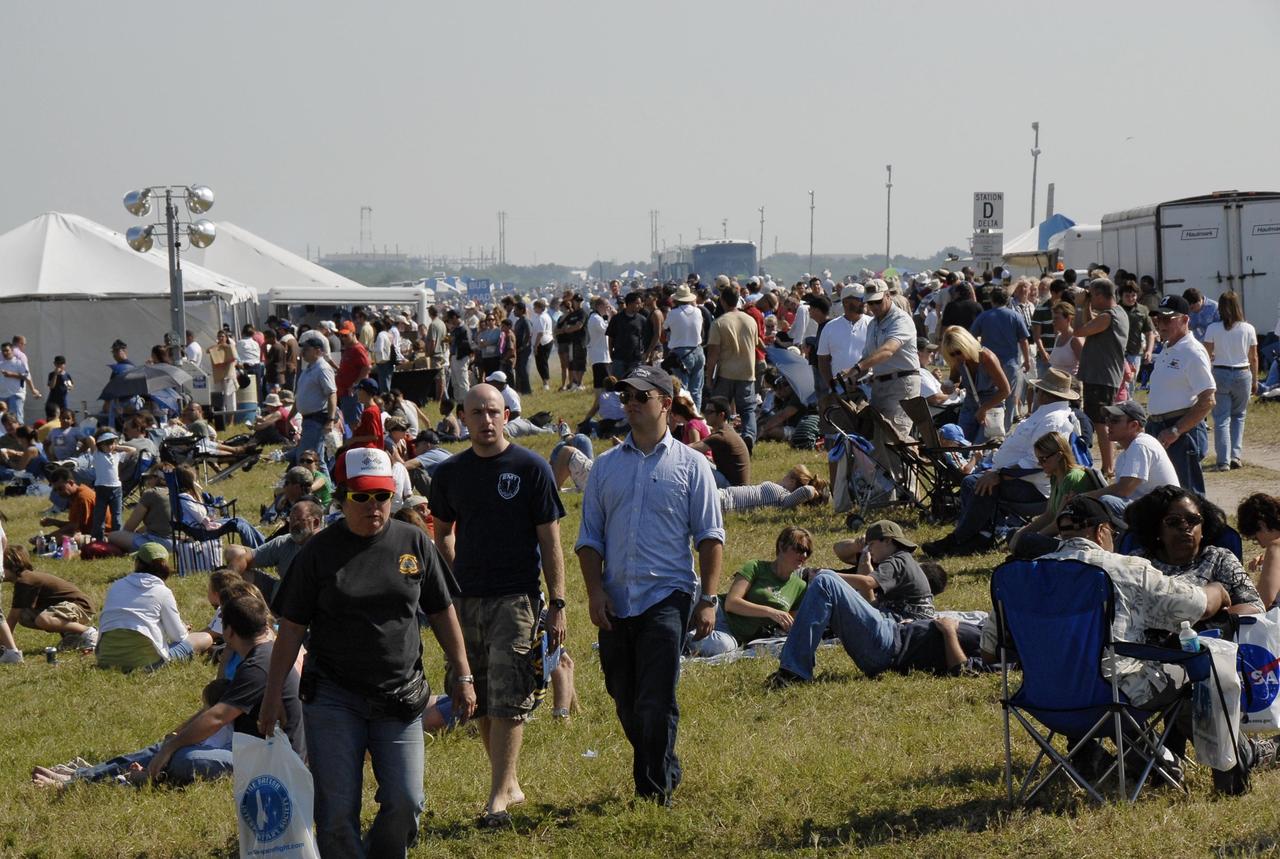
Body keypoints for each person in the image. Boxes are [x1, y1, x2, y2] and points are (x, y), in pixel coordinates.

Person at [981, 494, 1278, 793]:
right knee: (1200, 668)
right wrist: (1216, 590)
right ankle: (1230, 769)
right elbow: (1199, 606)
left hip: (1041, 702)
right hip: (1113, 699)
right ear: (1102, 532)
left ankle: (1157, 761)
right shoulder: (1127, 569)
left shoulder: (1015, 576)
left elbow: (990, 652)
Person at [261, 446, 476, 858]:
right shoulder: (318, 552)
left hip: (401, 695)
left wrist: (463, 674)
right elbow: (291, 629)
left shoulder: (414, 541)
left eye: (382, 495)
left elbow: (442, 610)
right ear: (341, 498)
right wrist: (273, 696)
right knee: (337, 813)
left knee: (406, 801)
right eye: (362, 496)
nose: (374, 505)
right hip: (333, 698)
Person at [575, 364, 724, 804]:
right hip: (616, 598)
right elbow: (589, 538)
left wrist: (708, 599)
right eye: (627, 397)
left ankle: (653, 794)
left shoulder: (692, 465)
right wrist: (595, 592)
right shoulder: (605, 467)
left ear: (666, 403)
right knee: (624, 697)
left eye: (642, 396)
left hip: (667, 595)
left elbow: (710, 536)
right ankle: (665, 766)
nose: (631, 404)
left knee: (655, 698)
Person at [429, 383, 567, 826]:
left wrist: (558, 602)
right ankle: (508, 783)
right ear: (463, 419)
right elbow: (442, 532)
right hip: (466, 600)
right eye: (477, 413)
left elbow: (551, 541)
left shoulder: (531, 468)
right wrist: (453, 577)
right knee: (483, 698)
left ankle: (497, 799)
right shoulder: (449, 473)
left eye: (493, 412)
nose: (486, 420)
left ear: (506, 416)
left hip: (517, 597)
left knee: (510, 693)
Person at [34, 593, 304, 789]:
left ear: (229, 632)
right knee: (172, 745)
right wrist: (175, 738)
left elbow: (217, 717)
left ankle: (127, 777)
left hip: (274, 763)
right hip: (251, 747)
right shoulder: (264, 654)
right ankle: (82, 776)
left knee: (184, 757)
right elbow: (214, 712)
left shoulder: (258, 665)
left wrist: (172, 746)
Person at [769, 521, 956, 686]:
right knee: (827, 582)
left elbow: (868, 583)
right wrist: (865, 571)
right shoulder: (902, 565)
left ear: (888, 541)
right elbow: (873, 606)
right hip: (892, 646)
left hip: (891, 644)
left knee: (825, 581)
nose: (870, 551)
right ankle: (794, 668)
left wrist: (826, 574)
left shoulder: (900, 559)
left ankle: (794, 670)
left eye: (872, 545)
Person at [923, 369, 1080, 557]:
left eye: (1037, 390)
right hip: (1021, 479)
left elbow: (1038, 462)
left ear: (1045, 394)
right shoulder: (1048, 414)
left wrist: (999, 475)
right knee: (973, 482)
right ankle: (979, 536)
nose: (1035, 394)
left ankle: (959, 539)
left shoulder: (1052, 420)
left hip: (1034, 486)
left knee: (974, 483)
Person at [1124, 487, 1264, 631]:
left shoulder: (1219, 559)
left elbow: (1255, 607)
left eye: (1193, 520)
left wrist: (1202, 624)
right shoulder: (1138, 563)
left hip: (1209, 640)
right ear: (1157, 529)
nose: (1185, 526)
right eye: (1173, 521)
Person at [688, 526, 813, 657]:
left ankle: (684, 638)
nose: (804, 556)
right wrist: (771, 612)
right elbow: (731, 604)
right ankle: (681, 625)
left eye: (807, 552)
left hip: (732, 634)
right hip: (717, 611)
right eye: (799, 549)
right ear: (782, 546)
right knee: (699, 585)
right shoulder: (756, 567)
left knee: (722, 646)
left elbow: (793, 626)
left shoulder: (800, 587)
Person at [96, 542, 214, 672]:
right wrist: (183, 628)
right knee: (205, 638)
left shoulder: (116, 586)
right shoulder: (162, 592)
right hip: (145, 664)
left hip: (106, 660)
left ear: (137, 563)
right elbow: (178, 636)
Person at [1147, 295, 1216, 495]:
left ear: (1185, 319)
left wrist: (1176, 430)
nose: (1161, 324)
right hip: (1160, 427)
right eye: (1158, 319)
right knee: (1163, 493)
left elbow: (1208, 399)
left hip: (1180, 430)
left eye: (1167, 319)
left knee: (1188, 495)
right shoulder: (1169, 348)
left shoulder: (1192, 352)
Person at [1009, 432, 1104, 558]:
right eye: (1038, 460)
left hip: (1076, 542)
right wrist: (1020, 534)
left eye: (1043, 459)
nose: (1040, 464)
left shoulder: (1072, 478)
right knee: (1014, 534)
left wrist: (1032, 539)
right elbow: (1049, 514)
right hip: (1064, 535)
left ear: (1059, 456)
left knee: (1028, 540)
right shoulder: (1055, 477)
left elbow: (1059, 525)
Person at [1072, 278, 1129, 479]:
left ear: (1099, 295)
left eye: (1091, 294)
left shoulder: (1108, 317)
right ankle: (1108, 466)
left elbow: (1079, 331)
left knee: (1101, 423)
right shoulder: (1117, 313)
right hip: (1102, 375)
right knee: (1099, 421)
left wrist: (1080, 306)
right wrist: (1087, 305)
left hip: (1101, 377)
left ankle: (1108, 468)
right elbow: (1090, 325)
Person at [852, 280, 922, 439]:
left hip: (901, 384)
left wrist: (856, 368)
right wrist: (851, 377)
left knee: (893, 438)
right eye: (870, 303)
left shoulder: (901, 320)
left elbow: (888, 350)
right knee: (877, 438)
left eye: (878, 301)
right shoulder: (872, 324)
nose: (874, 306)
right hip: (879, 385)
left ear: (888, 296)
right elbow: (867, 357)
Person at [1083, 401, 1179, 515]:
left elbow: (1123, 490)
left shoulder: (1141, 444)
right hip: (1153, 508)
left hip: (1165, 513)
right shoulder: (1125, 454)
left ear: (1133, 425)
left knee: (1106, 501)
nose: (1108, 424)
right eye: (1107, 419)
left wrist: (1085, 497)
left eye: (1115, 421)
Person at [3, 545, 97, 650]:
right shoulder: (24, 578)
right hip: (68, 607)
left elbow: (12, 618)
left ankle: (90, 632)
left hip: (80, 606)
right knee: (24, 616)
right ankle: (72, 635)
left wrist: (6, 646)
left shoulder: (25, 581)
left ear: (13, 567)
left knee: (43, 619)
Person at [1203, 291, 1257, 471]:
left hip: (1220, 373)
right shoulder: (1248, 328)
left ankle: (1223, 460)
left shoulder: (1213, 328)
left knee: (1221, 418)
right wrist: (1255, 380)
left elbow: (1205, 355)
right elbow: (1254, 357)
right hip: (1243, 373)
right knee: (1239, 416)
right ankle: (1235, 455)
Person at [705, 281, 760, 450]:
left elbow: (713, 354)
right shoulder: (751, 321)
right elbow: (755, 344)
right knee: (748, 410)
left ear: (722, 301)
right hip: (747, 372)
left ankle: (722, 439)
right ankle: (749, 436)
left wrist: (709, 376)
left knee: (720, 409)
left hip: (726, 373)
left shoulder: (719, 323)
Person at [968, 286, 1031, 430]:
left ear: (991, 299)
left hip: (988, 363)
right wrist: (1027, 360)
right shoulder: (1015, 316)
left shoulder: (984, 316)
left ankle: (988, 427)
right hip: (1010, 363)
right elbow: (1023, 340)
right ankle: (1005, 428)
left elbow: (971, 337)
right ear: (1008, 299)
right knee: (1010, 397)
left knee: (989, 396)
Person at [939, 325, 1011, 443]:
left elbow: (1005, 390)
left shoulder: (987, 358)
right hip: (969, 406)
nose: (956, 357)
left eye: (958, 352)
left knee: (980, 447)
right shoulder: (957, 361)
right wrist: (949, 385)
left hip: (991, 407)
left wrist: (984, 409)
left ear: (966, 345)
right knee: (961, 444)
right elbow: (955, 379)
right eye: (952, 354)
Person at [287, 331, 338, 468]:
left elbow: (332, 393)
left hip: (317, 419)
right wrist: (289, 417)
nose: (303, 352)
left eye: (307, 349)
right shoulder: (308, 369)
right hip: (308, 420)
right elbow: (300, 397)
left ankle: (320, 481)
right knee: (313, 458)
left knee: (311, 458)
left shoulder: (322, 368)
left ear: (318, 351)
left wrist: (330, 420)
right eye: (303, 349)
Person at [816, 285, 871, 397]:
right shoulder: (830, 327)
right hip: (840, 390)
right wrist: (833, 387)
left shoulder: (873, 324)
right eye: (860, 299)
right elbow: (823, 361)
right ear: (846, 302)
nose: (864, 302)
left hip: (869, 388)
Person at [689, 396, 751, 486]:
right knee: (701, 460)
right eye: (705, 412)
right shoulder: (727, 430)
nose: (705, 415)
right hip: (734, 483)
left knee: (695, 464)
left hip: (733, 488)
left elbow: (688, 449)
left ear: (721, 415)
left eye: (709, 412)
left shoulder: (721, 436)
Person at [718, 465, 828, 512]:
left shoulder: (784, 497)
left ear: (792, 481)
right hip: (723, 495)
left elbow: (806, 491)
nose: (783, 477)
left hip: (724, 502)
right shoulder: (782, 495)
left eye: (787, 475)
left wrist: (814, 491)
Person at [663, 285, 705, 408]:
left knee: (682, 390)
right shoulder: (697, 311)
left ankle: (684, 415)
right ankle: (696, 414)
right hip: (697, 350)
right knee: (696, 390)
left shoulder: (673, 313)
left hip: (681, 353)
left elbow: (665, 327)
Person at [1238, 493, 1280, 608]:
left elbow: (1262, 602)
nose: (1261, 545)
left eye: (1256, 539)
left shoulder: (1275, 547)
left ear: (1262, 525)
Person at [1119, 280, 1155, 397]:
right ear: (1121, 296)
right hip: (1117, 353)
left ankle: (1127, 405)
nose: (1131, 298)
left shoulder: (1143, 310)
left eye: (1133, 295)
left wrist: (1149, 351)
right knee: (1118, 384)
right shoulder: (1115, 309)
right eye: (1127, 296)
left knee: (1130, 384)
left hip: (1134, 353)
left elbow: (1150, 332)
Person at [87, 429, 124, 542]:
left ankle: (118, 539)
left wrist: (117, 447)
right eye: (107, 444)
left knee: (117, 516)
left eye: (112, 443)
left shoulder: (116, 455)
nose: (110, 446)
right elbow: (90, 439)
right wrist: (99, 444)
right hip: (101, 488)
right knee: (99, 515)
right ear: (100, 445)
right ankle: (97, 539)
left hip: (116, 489)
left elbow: (133, 450)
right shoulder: (97, 454)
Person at [335, 321, 373, 430]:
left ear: (353, 334)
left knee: (355, 424)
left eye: (346, 336)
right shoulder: (349, 348)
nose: (343, 338)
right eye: (341, 336)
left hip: (352, 394)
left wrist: (355, 384)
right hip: (345, 392)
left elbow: (367, 367)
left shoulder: (357, 348)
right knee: (350, 423)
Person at [606, 291, 650, 382]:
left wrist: (646, 353)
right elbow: (611, 337)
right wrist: (610, 353)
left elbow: (646, 337)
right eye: (637, 303)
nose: (639, 305)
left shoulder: (642, 319)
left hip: (636, 358)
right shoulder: (617, 319)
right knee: (619, 383)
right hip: (619, 357)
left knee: (636, 382)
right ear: (629, 304)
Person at [206, 330, 238, 432]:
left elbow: (234, 357)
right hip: (219, 376)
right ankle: (221, 421)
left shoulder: (230, 346)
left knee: (230, 399)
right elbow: (208, 350)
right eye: (219, 336)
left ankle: (231, 422)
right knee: (219, 399)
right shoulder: (216, 348)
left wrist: (225, 346)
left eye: (222, 336)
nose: (220, 338)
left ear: (226, 337)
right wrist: (217, 346)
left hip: (229, 376)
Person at [1046, 300, 1083, 376]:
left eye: (1057, 318)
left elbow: (1085, 365)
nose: (1053, 321)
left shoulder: (1075, 339)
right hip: (1055, 382)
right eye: (1053, 318)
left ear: (1068, 319)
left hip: (1070, 382)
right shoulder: (1058, 337)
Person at [530, 298, 556, 391]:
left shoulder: (541, 317)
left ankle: (546, 383)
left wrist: (536, 345)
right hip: (545, 341)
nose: (534, 309)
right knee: (541, 362)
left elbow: (540, 333)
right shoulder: (543, 316)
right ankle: (545, 382)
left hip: (543, 342)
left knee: (542, 363)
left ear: (540, 308)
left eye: (535, 307)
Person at [44, 356, 73, 420]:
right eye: (58, 364)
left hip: (63, 401)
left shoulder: (67, 375)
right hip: (53, 401)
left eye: (61, 364)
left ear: (64, 365)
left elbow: (71, 386)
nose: (59, 366)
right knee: (51, 418)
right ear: (55, 364)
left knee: (63, 417)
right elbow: (51, 386)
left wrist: (69, 387)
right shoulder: (51, 374)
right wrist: (56, 374)